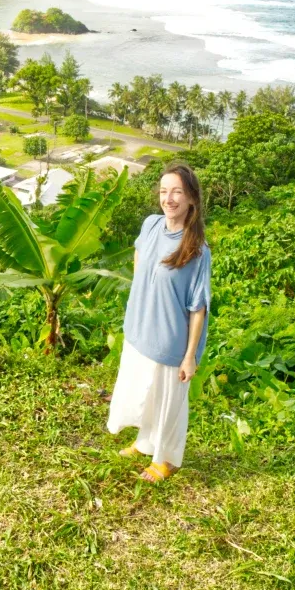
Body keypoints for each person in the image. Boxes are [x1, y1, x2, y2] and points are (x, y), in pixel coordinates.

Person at [106, 164, 212, 483]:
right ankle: (144, 442)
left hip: (171, 339)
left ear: (191, 198)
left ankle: (166, 460)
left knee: (169, 401)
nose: (169, 198)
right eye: (164, 191)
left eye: (177, 191)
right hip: (141, 327)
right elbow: (140, 257)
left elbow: (198, 307)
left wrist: (190, 355)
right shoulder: (151, 225)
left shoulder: (196, 249)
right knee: (145, 393)